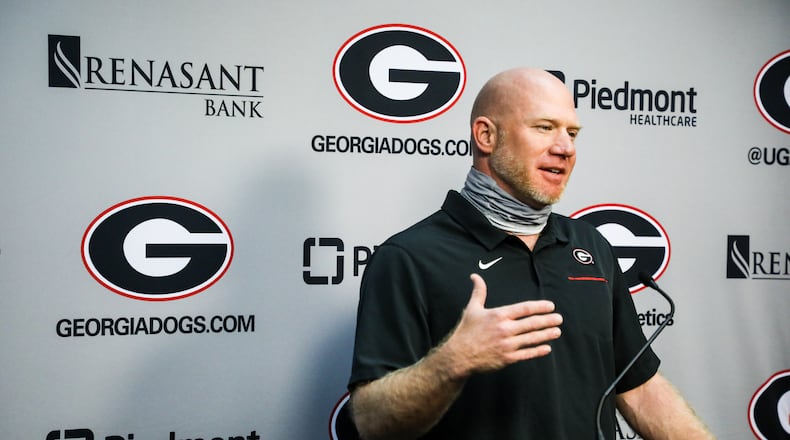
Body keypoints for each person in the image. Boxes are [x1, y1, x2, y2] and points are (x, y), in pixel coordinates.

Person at [347, 67, 714, 440]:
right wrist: (452, 362)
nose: (565, 147)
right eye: (544, 127)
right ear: (486, 135)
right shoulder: (408, 257)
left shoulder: (591, 245)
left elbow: (639, 388)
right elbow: (370, 422)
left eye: (572, 133)